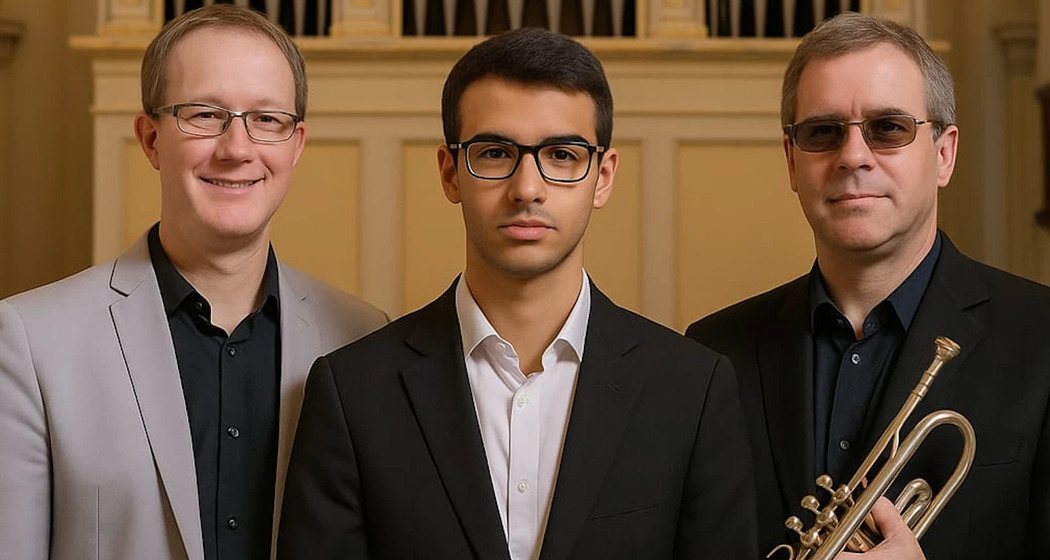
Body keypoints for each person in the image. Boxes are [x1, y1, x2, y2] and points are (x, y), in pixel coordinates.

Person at [277, 28, 756, 560]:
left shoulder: (693, 389)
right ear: (450, 172)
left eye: (562, 155)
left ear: (603, 176)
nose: (527, 188)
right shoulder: (351, 391)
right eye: (495, 152)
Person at [0, 5, 387, 560]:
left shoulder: (361, 337)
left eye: (267, 119)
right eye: (203, 115)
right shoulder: (30, 342)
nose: (236, 149)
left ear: (296, 145)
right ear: (151, 139)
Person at [687, 11, 1050, 560]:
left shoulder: (1043, 339)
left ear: (944, 153)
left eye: (888, 129)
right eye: (822, 133)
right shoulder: (713, 352)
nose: (853, 156)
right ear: (791, 161)